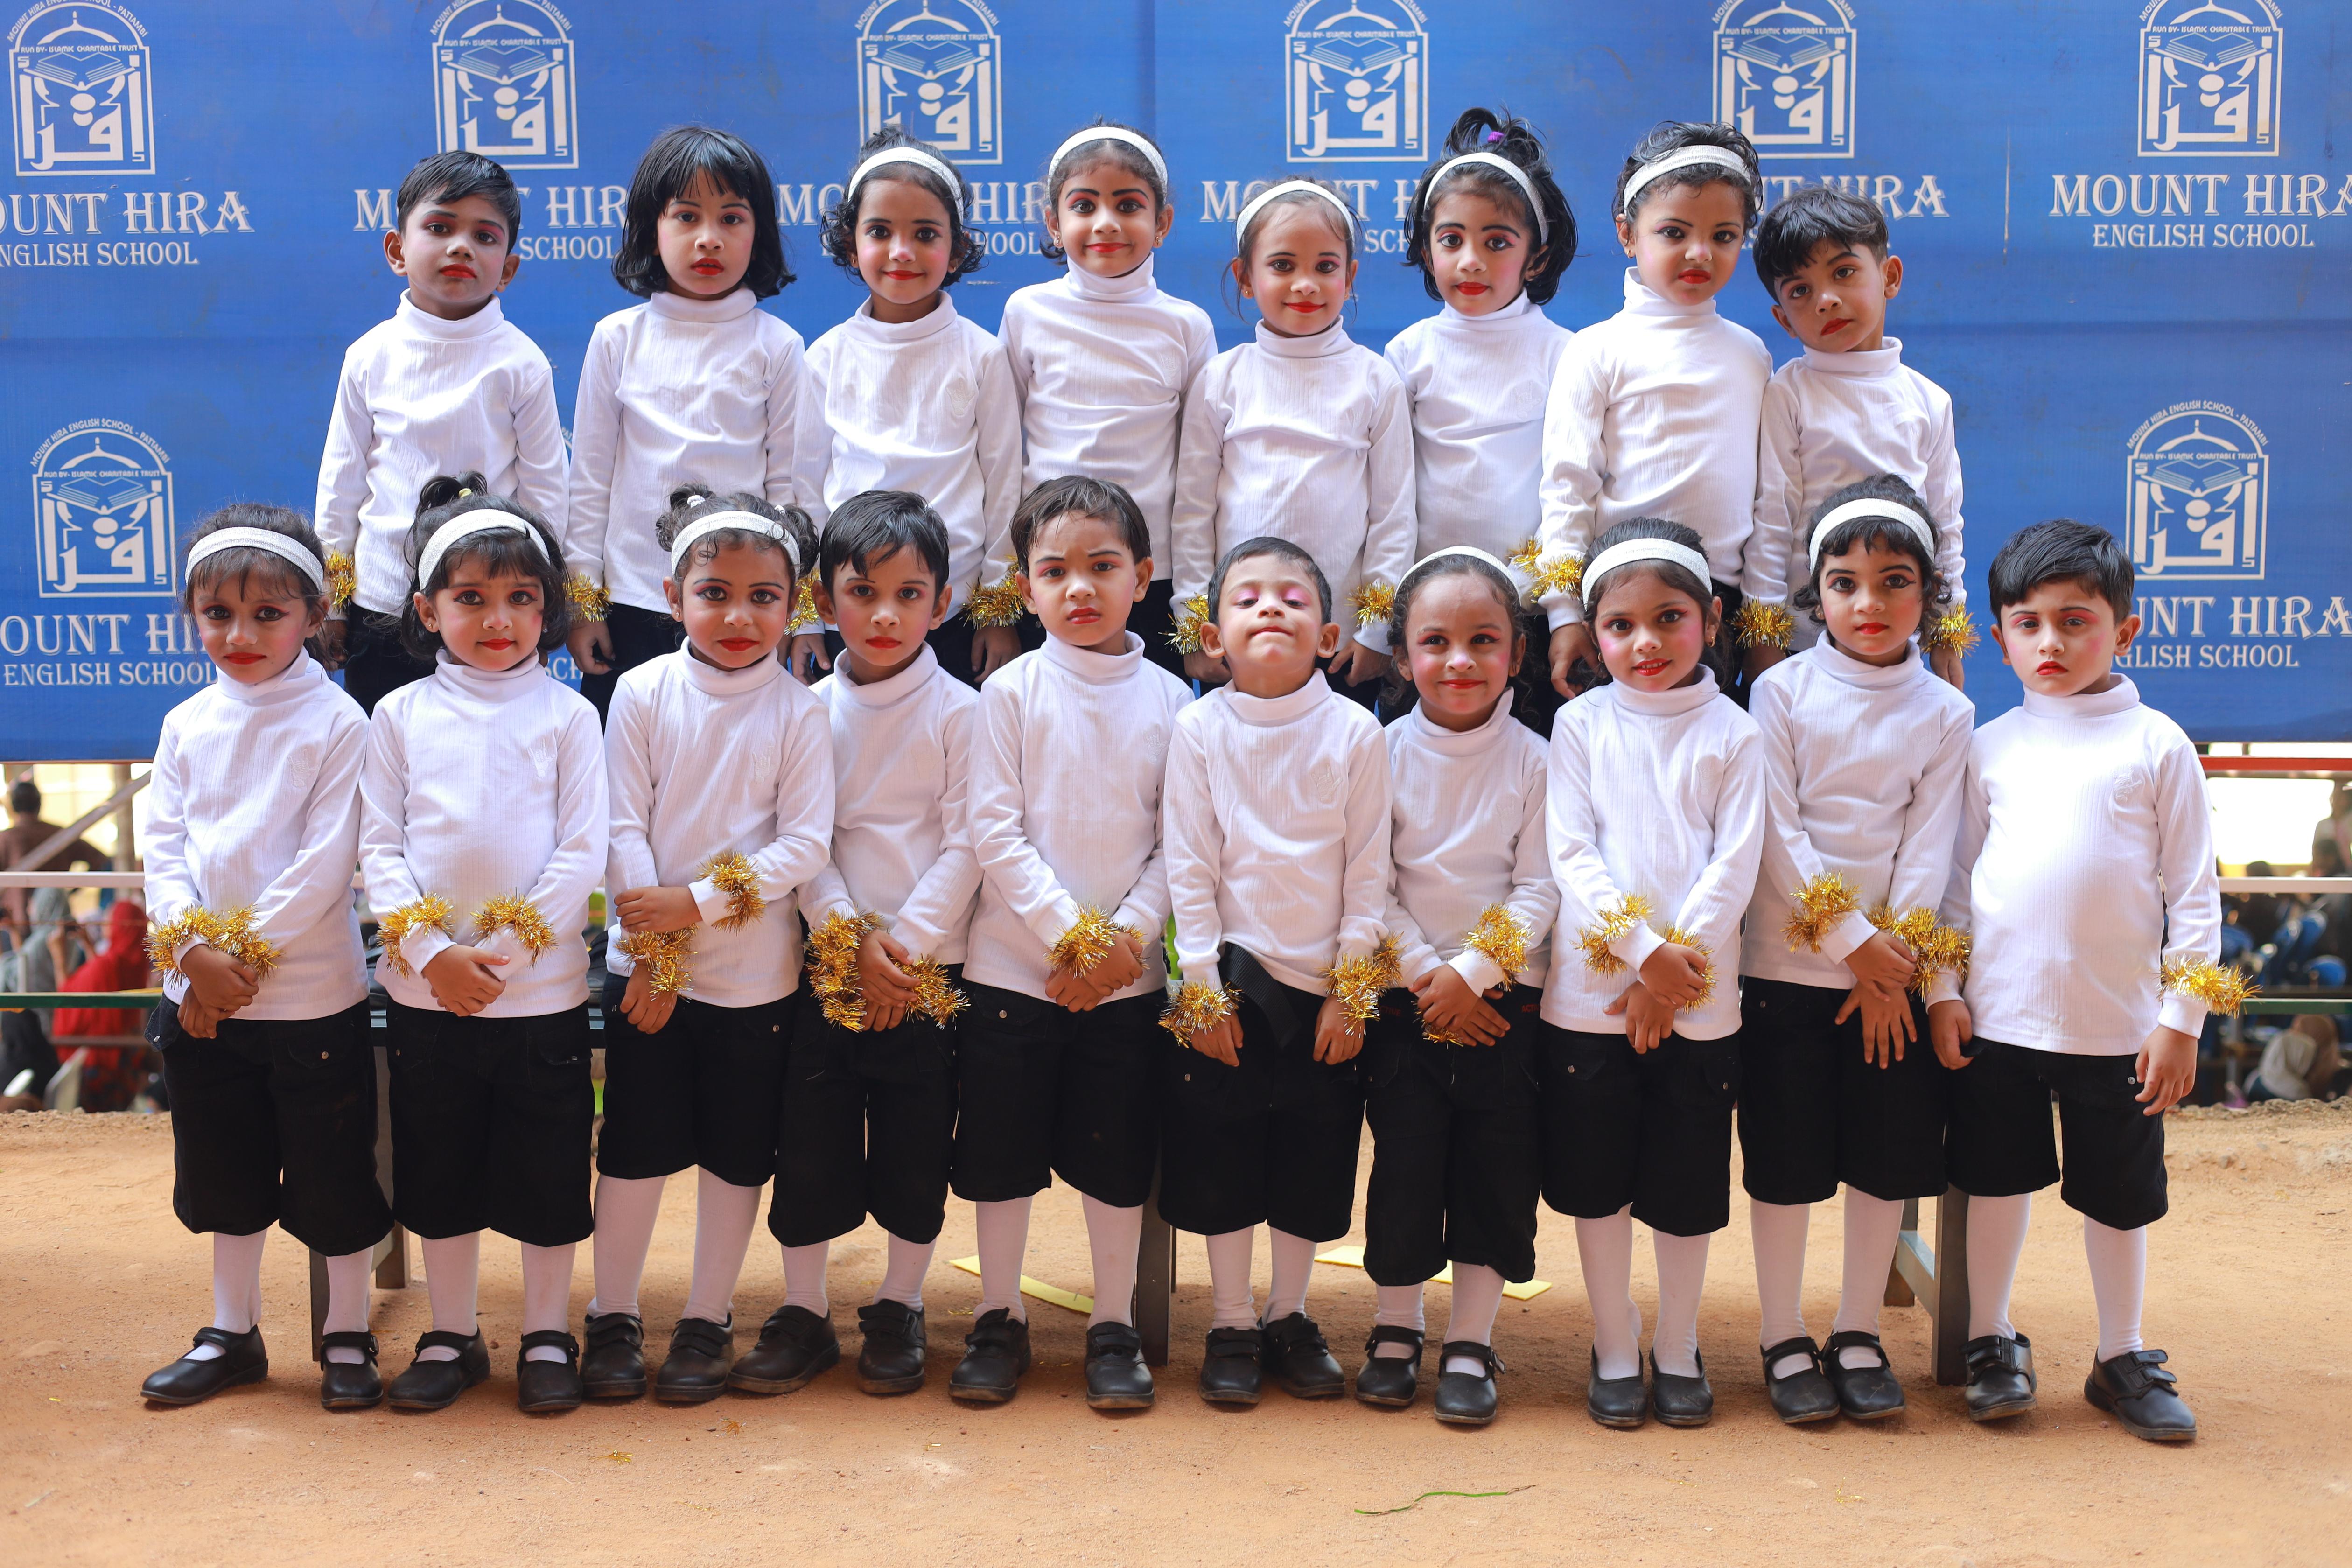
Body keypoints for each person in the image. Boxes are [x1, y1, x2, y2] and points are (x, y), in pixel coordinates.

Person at [1929, 519, 2232, 1444]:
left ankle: (2121, 1355)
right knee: (1995, 1183)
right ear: (1999, 638)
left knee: (2119, 1194)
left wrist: (2181, 1020)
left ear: (2124, 631)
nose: (2051, 643)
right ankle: (1991, 1340)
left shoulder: (2158, 746)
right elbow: (1952, 885)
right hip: (2000, 1022)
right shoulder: (1988, 747)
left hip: (2120, 1030)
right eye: (2028, 624)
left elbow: (2195, 895)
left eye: (2075, 621)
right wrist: (1944, 990)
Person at [131, 506, 392, 1410]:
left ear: (315, 615)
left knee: (333, 1177)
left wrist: (227, 967)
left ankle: (348, 1333)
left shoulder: (340, 723)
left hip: (310, 1002)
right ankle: (231, 1332)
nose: (240, 635)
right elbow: (163, 850)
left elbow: (323, 866)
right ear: (191, 615)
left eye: (267, 615)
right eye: (218, 614)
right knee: (224, 1174)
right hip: (200, 995)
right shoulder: (184, 723)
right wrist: (192, 955)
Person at [357, 476, 606, 1414]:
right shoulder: (399, 716)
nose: (498, 620)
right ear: (427, 611)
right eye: (471, 598)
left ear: (548, 609)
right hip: (430, 1000)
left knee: (549, 1173)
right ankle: (452, 1334)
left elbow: (581, 849)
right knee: (440, 1170)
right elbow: (379, 849)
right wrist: (433, 956)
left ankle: (545, 1333)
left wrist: (499, 956)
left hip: (538, 999)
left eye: (520, 598)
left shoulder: (570, 716)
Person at [586, 492, 833, 1406]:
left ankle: (706, 1317)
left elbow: (804, 846)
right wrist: (656, 958)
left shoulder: (800, 713)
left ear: (794, 605)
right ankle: (612, 1315)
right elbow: (621, 826)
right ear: (671, 596)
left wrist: (690, 905)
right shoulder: (642, 693)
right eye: (714, 593)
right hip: (651, 978)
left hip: (754, 982)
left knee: (736, 1155)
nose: (738, 616)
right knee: (634, 1150)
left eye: (763, 597)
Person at [1737, 478, 1974, 1425]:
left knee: (1884, 1156)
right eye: (1845, 584)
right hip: (1785, 972)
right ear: (1817, 593)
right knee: (1785, 1161)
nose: (1868, 603)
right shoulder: (1778, 692)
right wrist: (1852, 946)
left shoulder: (1945, 713)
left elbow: (1929, 847)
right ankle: (1782, 1333)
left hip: (1891, 984)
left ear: (1929, 594)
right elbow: (1777, 832)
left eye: (1894, 581)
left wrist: (1890, 970)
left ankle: (1858, 1330)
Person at [956, 476, 1192, 1409]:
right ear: (1025, 587)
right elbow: (995, 831)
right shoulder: (1008, 693)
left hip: (1124, 984)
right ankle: (999, 1316)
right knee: (1001, 1157)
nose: (1080, 588)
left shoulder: (1174, 701)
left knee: (1115, 1157)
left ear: (1144, 575)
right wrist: (1073, 940)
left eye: (1103, 566)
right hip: (1014, 972)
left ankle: (1113, 1323)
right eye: (1055, 572)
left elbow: (1180, 844)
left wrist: (1122, 943)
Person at [741, 491, 973, 1401]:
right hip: (829, 972)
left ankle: (899, 1306)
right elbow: (805, 841)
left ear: (942, 603)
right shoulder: (805, 712)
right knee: (808, 1147)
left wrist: (902, 950)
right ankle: (804, 1313)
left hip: (926, 977)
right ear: (821, 600)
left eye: (909, 595)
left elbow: (969, 843)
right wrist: (849, 944)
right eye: (862, 591)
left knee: (918, 1150)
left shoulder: (963, 713)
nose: (884, 614)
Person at [1540, 518, 1765, 1430]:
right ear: (1593, 634)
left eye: (1669, 618)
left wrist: (1672, 978)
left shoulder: (1735, 733)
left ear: (1710, 619)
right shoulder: (1578, 725)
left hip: (1699, 1008)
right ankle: (1614, 1338)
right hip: (1591, 1005)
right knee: (1598, 1184)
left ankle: (1677, 1342)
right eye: (1620, 625)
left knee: (1683, 1188)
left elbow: (1734, 867)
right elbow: (1572, 853)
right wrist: (1641, 959)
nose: (1645, 642)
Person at [1161, 537, 1392, 1406]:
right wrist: (1200, 985)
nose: (1270, 609)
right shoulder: (1199, 729)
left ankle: (1288, 1314)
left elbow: (1369, 871)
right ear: (1212, 637)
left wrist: (1351, 990)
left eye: (1293, 599)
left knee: (1311, 1158)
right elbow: (1190, 865)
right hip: (1228, 985)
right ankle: (1229, 1320)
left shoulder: (1356, 732)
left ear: (1329, 636)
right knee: (1221, 1153)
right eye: (1248, 597)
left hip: (1325, 994)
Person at [1357, 548, 1555, 1426]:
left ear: (1518, 651)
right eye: (1435, 642)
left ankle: (1471, 1339)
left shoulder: (1538, 762)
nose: (1461, 661)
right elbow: (1368, 882)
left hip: (1504, 1012)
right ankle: (1397, 1327)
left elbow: (1540, 887)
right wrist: (1427, 977)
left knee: (1496, 1174)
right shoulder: (1377, 754)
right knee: (1405, 1170)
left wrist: (1473, 976)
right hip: (1408, 1006)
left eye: (1484, 640)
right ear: (1403, 658)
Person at [566, 126, 823, 712]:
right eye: (686, 217)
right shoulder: (617, 339)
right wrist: (583, 603)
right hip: (632, 597)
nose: (709, 239)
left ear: (759, 234)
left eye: (731, 219)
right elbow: (589, 482)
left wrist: (798, 612)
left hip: (741, 602)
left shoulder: (778, 346)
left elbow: (792, 489)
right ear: (651, 229)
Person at [315, 152, 568, 714]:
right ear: (397, 250)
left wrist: (541, 604)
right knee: (386, 749)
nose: (461, 247)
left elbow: (547, 493)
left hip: (491, 607)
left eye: (484, 236)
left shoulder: (522, 363)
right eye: (439, 228)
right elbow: (341, 488)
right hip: (382, 602)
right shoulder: (369, 356)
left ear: (508, 269)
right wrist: (333, 602)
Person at [1533, 123, 1770, 701]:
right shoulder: (1595, 350)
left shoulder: (1751, 355)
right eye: (1674, 232)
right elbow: (1567, 487)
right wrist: (1565, 616)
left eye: (1724, 235)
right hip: (1619, 603)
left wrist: (1764, 627)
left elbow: (1768, 501)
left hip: (1719, 607)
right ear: (1627, 234)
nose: (1700, 253)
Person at [1169, 179, 1415, 702]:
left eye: (1325, 267)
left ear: (1349, 277)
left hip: (1338, 643)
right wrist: (1195, 627)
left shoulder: (1376, 381)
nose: (1305, 285)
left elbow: (1393, 519)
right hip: (1237, 640)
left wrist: (1375, 630)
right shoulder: (1221, 379)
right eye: (1282, 266)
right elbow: (1192, 514)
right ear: (1245, 277)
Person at [1383, 109, 1577, 735]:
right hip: (1429, 613)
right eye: (1451, 241)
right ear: (1426, 250)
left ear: (1535, 258)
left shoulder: (1567, 354)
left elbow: (1570, 488)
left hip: (1527, 611)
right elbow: (1389, 495)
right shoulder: (1407, 355)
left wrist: (1560, 608)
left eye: (1496, 243)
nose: (1471, 261)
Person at [805, 127, 1022, 686]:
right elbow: (802, 490)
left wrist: (997, 610)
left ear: (957, 250)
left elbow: (1005, 486)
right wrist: (807, 614)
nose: (902, 252)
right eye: (880, 231)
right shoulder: (825, 357)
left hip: (957, 608)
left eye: (925, 234)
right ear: (850, 244)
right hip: (851, 607)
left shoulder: (982, 355)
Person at [999, 121, 1213, 680]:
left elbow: (1200, 474)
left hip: (1149, 575)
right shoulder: (1027, 312)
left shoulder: (1187, 326)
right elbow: (1001, 456)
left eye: (1128, 205)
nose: (1106, 223)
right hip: (1049, 569)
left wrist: (1193, 611)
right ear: (1054, 222)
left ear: (1162, 223)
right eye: (1084, 205)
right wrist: (999, 596)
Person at [1747, 185, 1969, 687]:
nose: (1826, 300)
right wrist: (1764, 639)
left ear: (1889, 277)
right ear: (1783, 319)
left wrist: (1946, 633)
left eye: (1844, 273)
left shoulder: (1929, 401)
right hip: (1805, 646)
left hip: (1898, 642)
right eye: (1800, 291)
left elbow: (1945, 529)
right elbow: (1771, 523)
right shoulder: (1788, 393)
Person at [0, 779, 108, 928]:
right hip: (57, 920)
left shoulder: (6, 839)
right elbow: (100, 859)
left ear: (13, 806)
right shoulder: (58, 835)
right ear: (39, 803)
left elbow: (99, 859)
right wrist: (73, 890)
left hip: (18, 922)